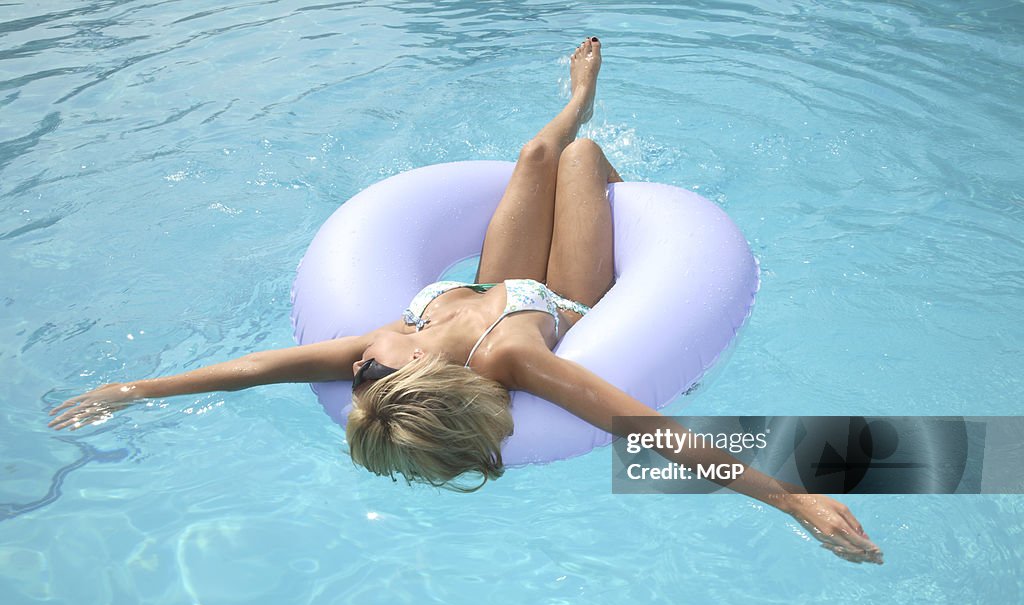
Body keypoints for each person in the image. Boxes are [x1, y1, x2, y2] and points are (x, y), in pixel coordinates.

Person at [47, 38, 883, 565]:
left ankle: (595, 125)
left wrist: (792, 498)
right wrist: (135, 391)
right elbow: (256, 367)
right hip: (526, 294)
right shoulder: (379, 355)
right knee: (574, 166)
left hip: (543, 301)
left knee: (557, 151)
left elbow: (648, 429)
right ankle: (598, 180)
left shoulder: (478, 356)